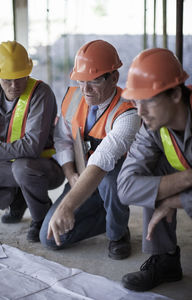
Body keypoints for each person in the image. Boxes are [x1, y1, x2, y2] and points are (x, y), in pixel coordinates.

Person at [40, 40, 141, 259]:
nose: (85, 89)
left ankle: (118, 232)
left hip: (110, 178)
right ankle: (107, 215)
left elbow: (103, 160)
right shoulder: (74, 98)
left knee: (110, 180)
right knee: (50, 238)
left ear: (114, 78)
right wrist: (71, 174)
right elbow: (62, 140)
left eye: (94, 81)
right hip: (81, 177)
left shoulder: (128, 113)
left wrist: (67, 205)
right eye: (81, 80)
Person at [117, 47, 192, 291]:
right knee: (149, 173)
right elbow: (126, 187)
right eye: (136, 101)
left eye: (148, 101)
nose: (140, 112)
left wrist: (173, 200)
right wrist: (187, 180)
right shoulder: (151, 127)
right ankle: (165, 259)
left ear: (175, 95)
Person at [0, 41, 65, 242]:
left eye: (20, 78)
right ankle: (16, 199)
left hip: (44, 167)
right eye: (8, 80)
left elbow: (32, 147)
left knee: (23, 168)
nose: (14, 86)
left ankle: (40, 215)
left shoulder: (41, 94)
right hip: (11, 164)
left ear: (29, 70)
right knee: (18, 167)